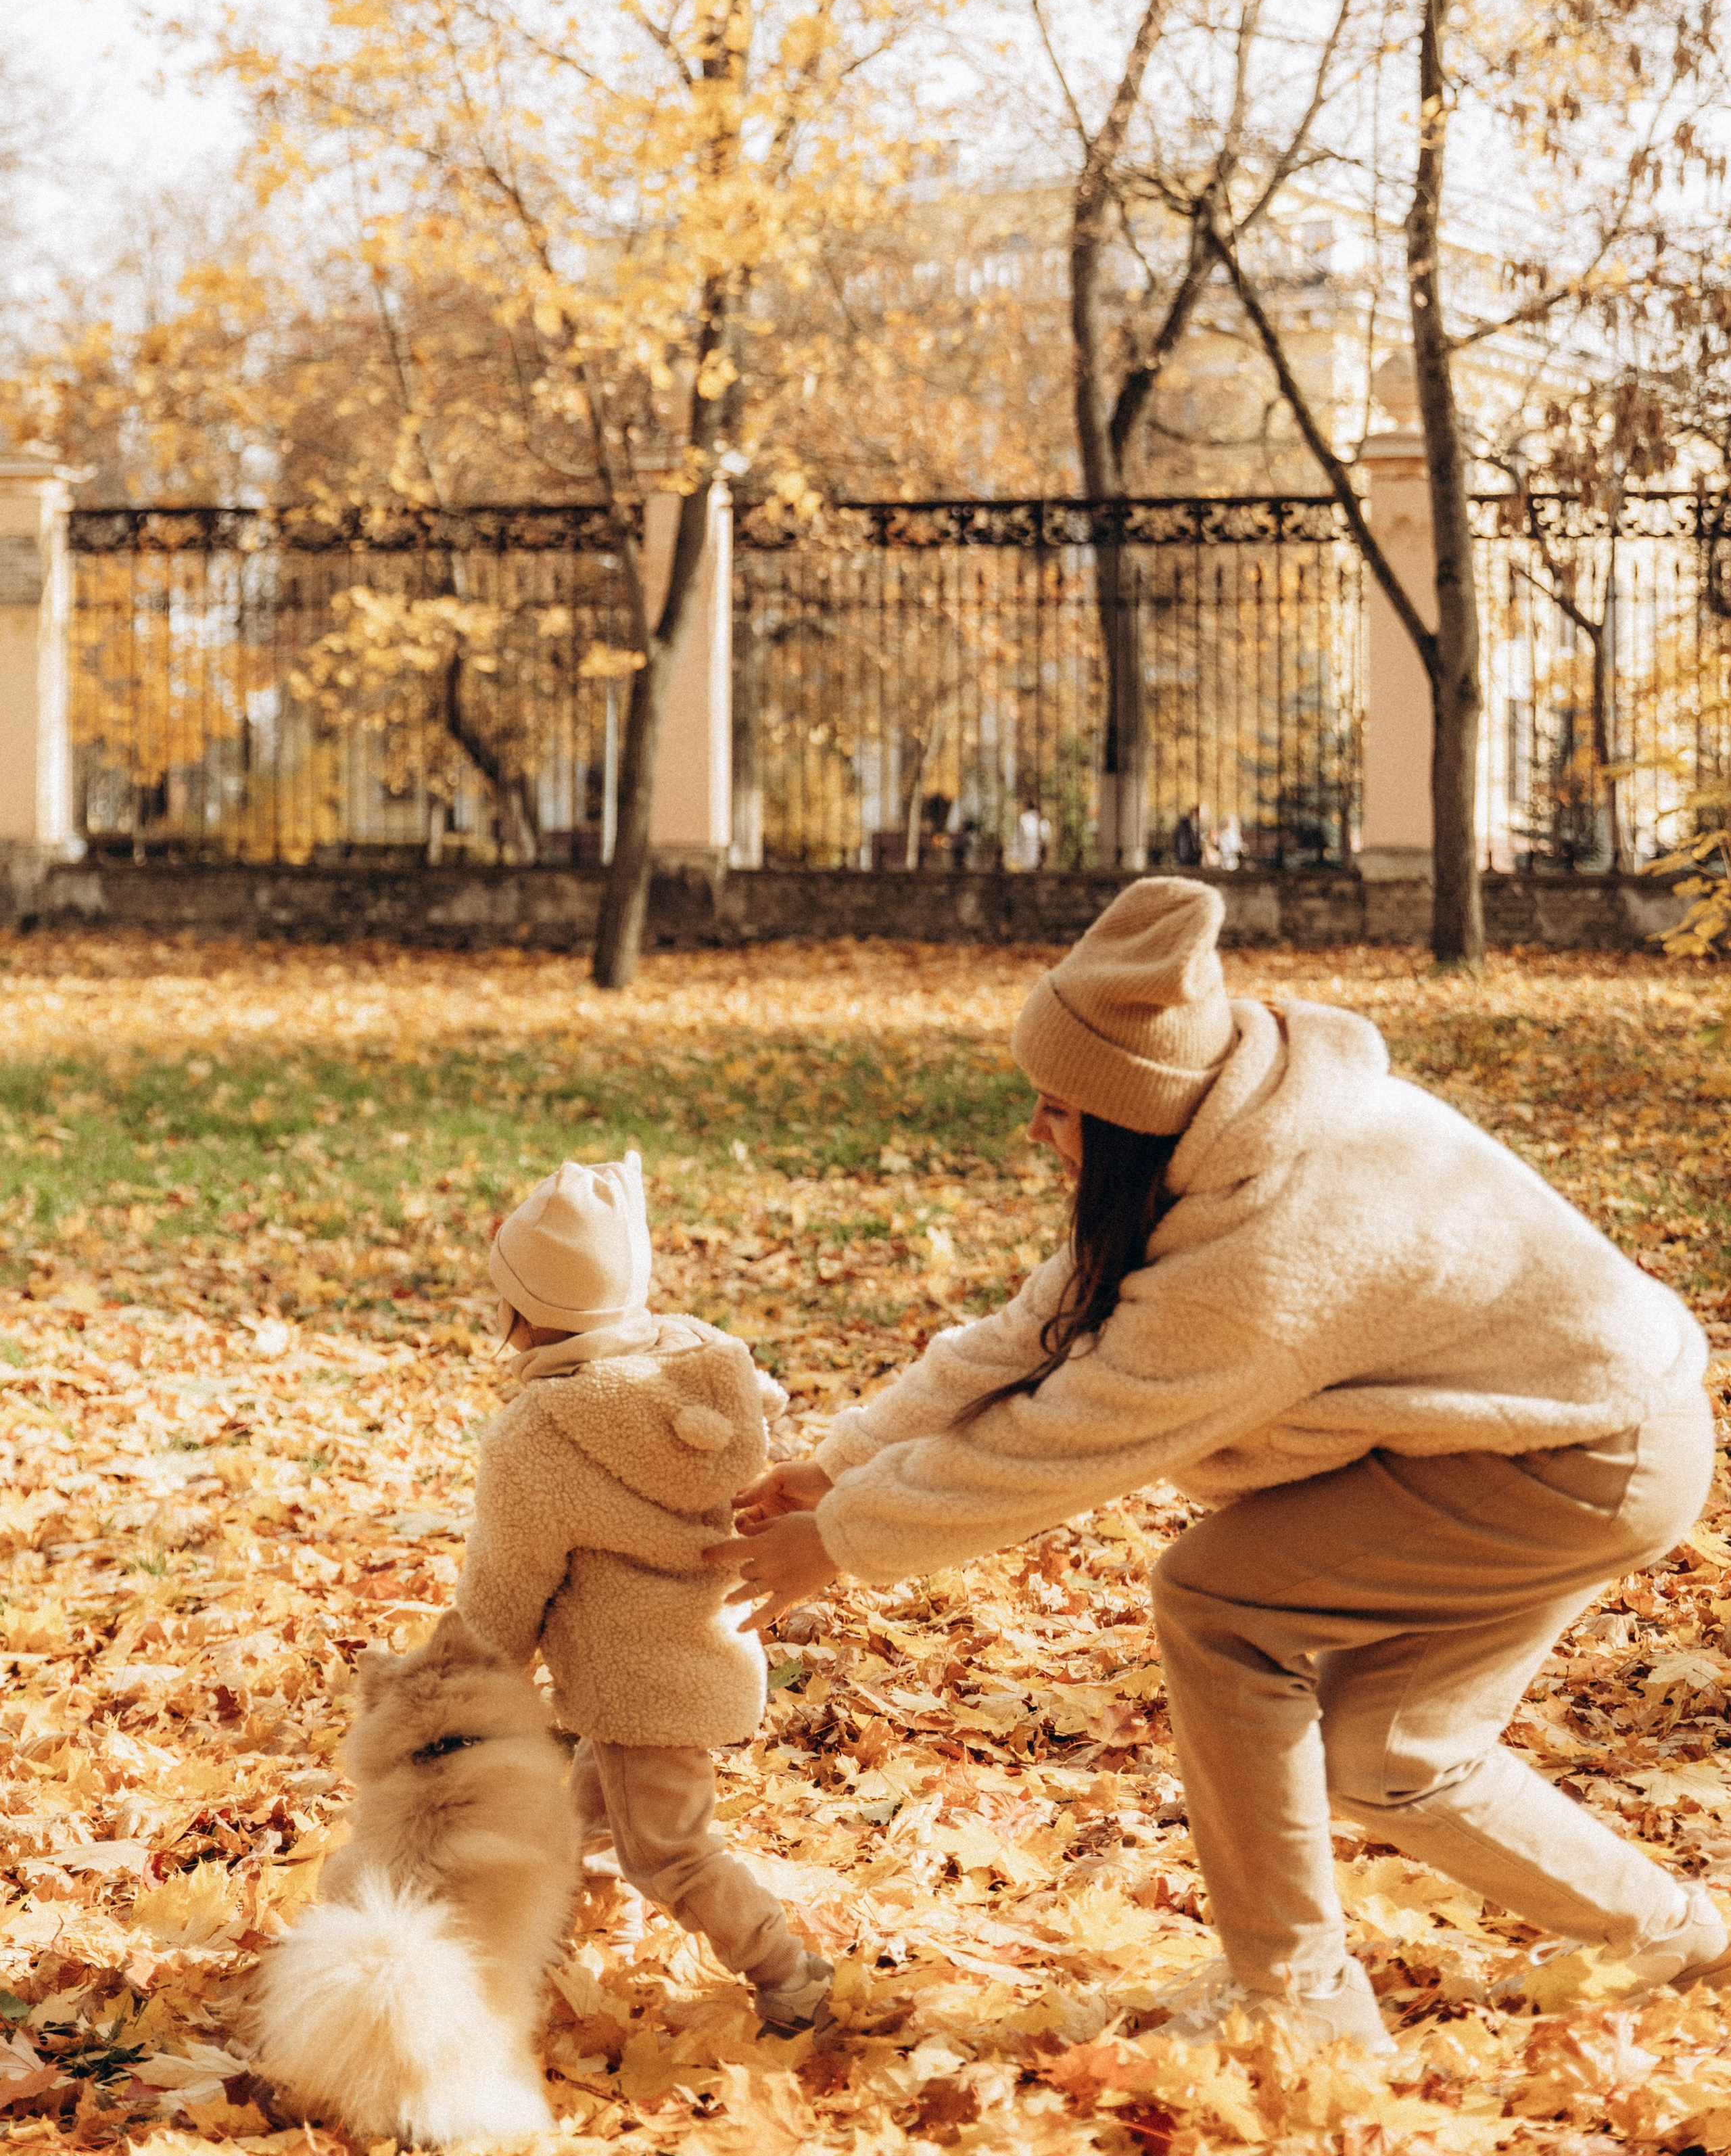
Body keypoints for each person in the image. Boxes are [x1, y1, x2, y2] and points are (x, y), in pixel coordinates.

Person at [707, 881, 1724, 2054]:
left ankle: (1297, 2005)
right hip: (1580, 1426)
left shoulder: (1271, 1257)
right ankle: (1675, 1939)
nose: (1033, 1130)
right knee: (1394, 1756)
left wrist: (836, 1545)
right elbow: (1046, 1322)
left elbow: (1064, 1442)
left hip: (1581, 1460)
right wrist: (841, 1465)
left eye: (1055, 1107)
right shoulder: (1235, 1128)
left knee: (1222, 1605)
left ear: (1133, 1120)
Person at [457, 1154, 832, 2036]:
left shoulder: (539, 1435)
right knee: (587, 1810)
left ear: (520, 1311)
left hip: (643, 1686)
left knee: (666, 1849)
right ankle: (543, 1936)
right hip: (707, 1647)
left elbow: (508, 1581)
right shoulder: (697, 1360)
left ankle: (789, 1974)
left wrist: (477, 1678)